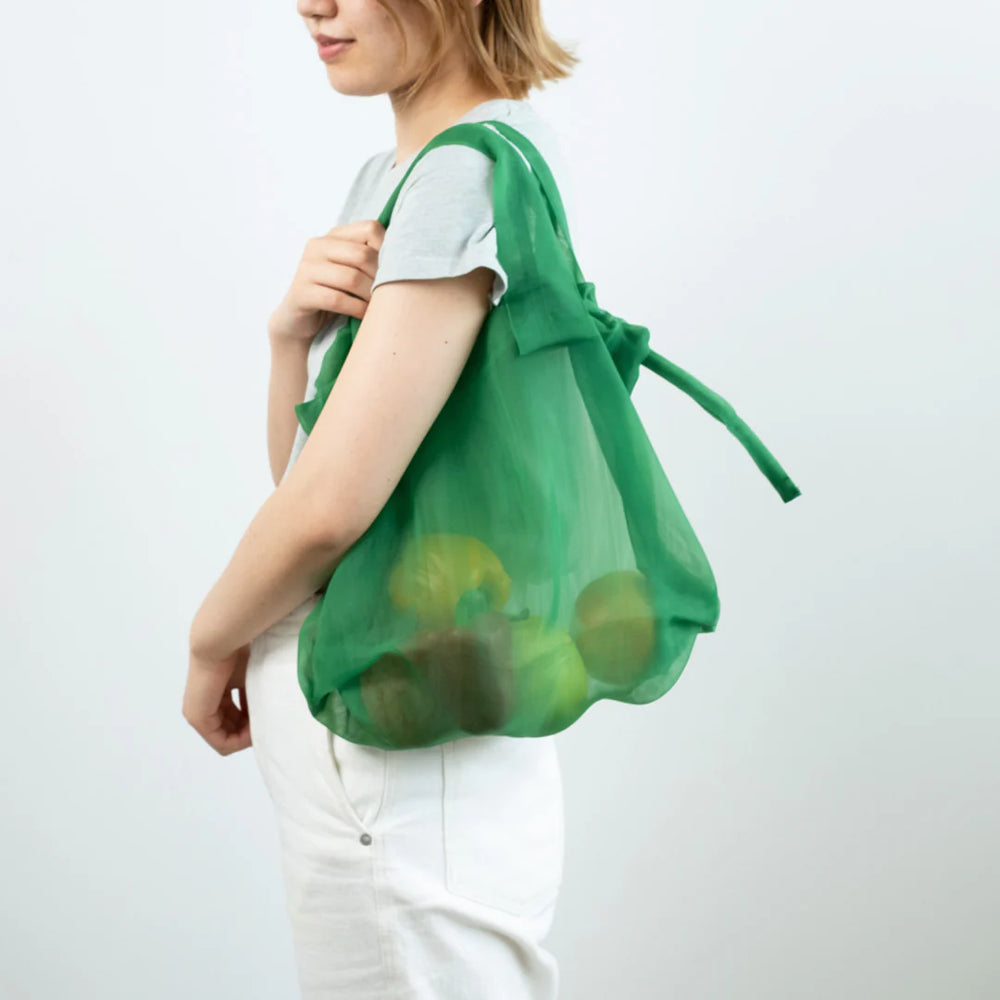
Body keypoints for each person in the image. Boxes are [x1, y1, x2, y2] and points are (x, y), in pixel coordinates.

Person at [182, 0, 581, 996]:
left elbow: (329, 512)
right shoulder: (397, 174)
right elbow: (311, 473)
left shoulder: (463, 170)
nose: (311, 5)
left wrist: (208, 641)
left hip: (398, 765)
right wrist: (289, 336)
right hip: (379, 751)